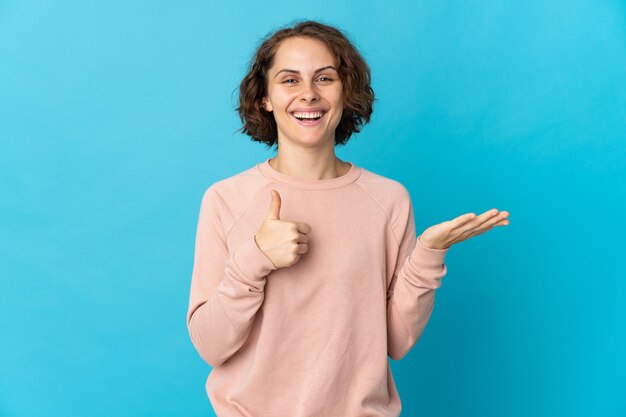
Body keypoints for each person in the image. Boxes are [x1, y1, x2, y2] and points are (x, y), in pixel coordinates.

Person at [186, 19, 510, 417]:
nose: (308, 95)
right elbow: (210, 345)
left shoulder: (387, 199)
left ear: (345, 91)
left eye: (324, 78)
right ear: (266, 98)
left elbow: (396, 341)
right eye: (290, 80)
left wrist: (429, 253)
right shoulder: (226, 199)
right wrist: (254, 260)